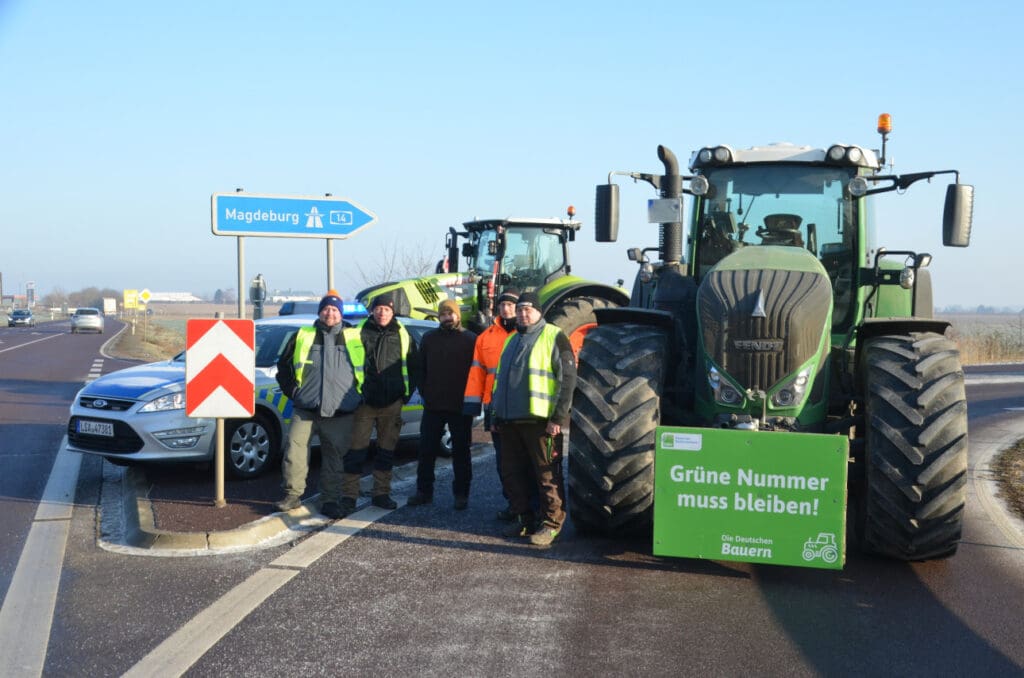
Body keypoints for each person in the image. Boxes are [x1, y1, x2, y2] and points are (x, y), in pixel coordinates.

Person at [491, 291, 576, 547]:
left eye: (528, 309)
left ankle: (551, 524)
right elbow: (499, 382)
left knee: (547, 475)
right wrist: (494, 414)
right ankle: (523, 519)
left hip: (541, 423)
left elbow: (568, 379)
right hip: (509, 422)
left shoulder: (554, 336)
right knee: (512, 474)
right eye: (519, 310)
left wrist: (558, 416)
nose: (522, 314)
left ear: (539, 312)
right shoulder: (511, 340)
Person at [274, 290, 362, 520]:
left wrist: (357, 397)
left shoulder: (355, 337)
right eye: (326, 309)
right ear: (319, 312)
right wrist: (294, 392)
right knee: (294, 452)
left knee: (334, 457)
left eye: (334, 309)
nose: (329, 313)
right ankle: (292, 495)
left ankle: (330, 500)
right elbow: (283, 368)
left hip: (341, 411)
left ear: (340, 313)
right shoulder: (303, 335)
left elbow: (370, 371)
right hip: (306, 408)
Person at [340, 294, 419, 512]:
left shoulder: (402, 334)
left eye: (387, 309)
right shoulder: (357, 333)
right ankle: (349, 496)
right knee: (355, 451)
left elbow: (414, 366)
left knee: (386, 451)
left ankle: (381, 494)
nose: (382, 312)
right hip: (363, 403)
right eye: (379, 308)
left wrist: (405, 394)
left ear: (393, 312)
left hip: (392, 403)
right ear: (372, 311)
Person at [407, 299, 477, 509]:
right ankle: (423, 492)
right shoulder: (429, 339)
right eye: (443, 314)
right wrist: (425, 390)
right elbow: (420, 369)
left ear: (457, 315)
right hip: (433, 406)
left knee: (461, 453)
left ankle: (461, 494)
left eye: (450, 313)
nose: (447, 318)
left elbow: (477, 372)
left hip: (460, 406)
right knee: (426, 451)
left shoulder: (470, 339)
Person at [463, 289, 519, 519]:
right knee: (503, 460)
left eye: (511, 305)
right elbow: (477, 373)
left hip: (521, 406)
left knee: (522, 459)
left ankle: (527, 507)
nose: (506, 309)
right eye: (503, 304)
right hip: (494, 406)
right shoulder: (485, 337)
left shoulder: (527, 333)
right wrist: (471, 405)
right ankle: (512, 504)